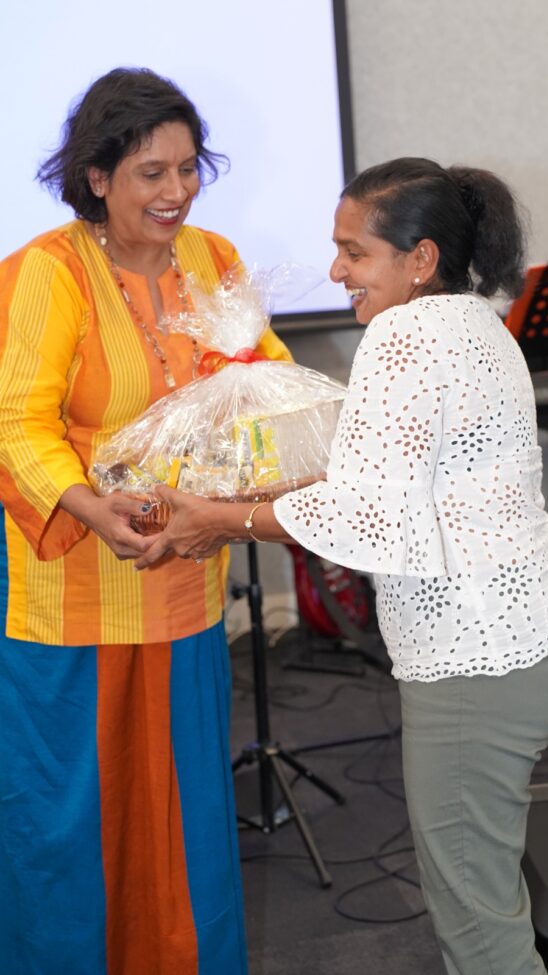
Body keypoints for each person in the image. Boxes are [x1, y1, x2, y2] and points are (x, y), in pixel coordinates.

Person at [136, 158, 548, 975]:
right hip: (531, 643)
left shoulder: (404, 334)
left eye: (354, 252)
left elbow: (372, 519)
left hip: (471, 667)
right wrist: (260, 497)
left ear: (420, 258)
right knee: (488, 887)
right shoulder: (477, 320)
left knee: (477, 921)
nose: (336, 271)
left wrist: (223, 517)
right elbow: (395, 483)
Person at [0, 67, 291, 975]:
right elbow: (16, 422)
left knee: (183, 819)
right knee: (67, 825)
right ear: (96, 177)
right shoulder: (47, 272)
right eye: (150, 174)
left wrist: (244, 498)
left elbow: (264, 383)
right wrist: (93, 505)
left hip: (183, 583)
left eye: (188, 168)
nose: (176, 193)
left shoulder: (215, 261)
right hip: (70, 597)